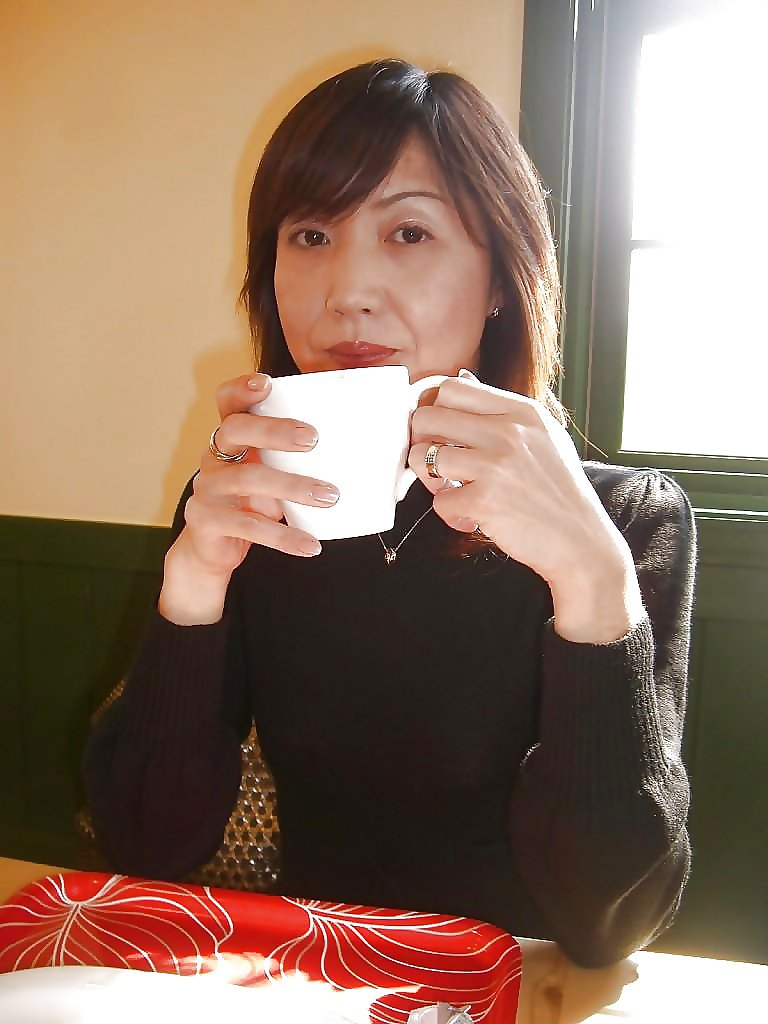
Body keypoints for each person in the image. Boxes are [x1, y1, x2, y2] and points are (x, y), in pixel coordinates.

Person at [84, 59, 696, 968]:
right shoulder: (256, 503)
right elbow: (145, 846)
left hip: (520, 988)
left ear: (500, 278)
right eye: (311, 234)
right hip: (307, 977)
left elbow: (610, 922)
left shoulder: (625, 520)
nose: (347, 293)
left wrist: (593, 582)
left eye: (409, 232)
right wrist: (192, 585)